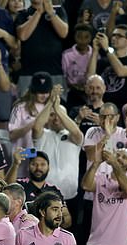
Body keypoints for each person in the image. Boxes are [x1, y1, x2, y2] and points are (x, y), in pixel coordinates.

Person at [30, 87, 84, 217]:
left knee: (70, 235)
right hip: (45, 196)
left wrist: (58, 108)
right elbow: (36, 127)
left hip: (70, 196)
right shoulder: (43, 136)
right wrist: (51, 103)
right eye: (52, 115)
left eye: (59, 115)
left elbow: (76, 132)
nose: (56, 118)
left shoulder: (73, 137)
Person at [14, 0, 69, 95]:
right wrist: (38, 13)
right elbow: (22, 35)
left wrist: (51, 12)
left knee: (56, 107)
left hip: (54, 71)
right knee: (26, 107)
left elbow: (63, 33)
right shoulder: (23, 14)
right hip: (28, 72)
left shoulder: (59, 11)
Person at [86, 24, 127, 110]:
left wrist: (107, 49)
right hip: (102, 107)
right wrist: (95, 51)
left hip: (123, 109)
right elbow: (90, 78)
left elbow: (121, 72)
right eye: (113, 35)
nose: (114, 38)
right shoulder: (104, 61)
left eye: (119, 36)